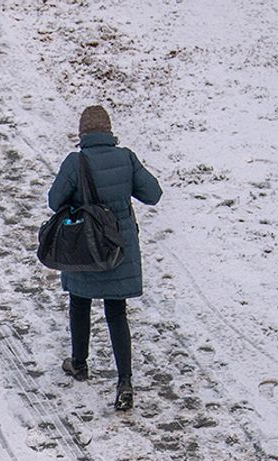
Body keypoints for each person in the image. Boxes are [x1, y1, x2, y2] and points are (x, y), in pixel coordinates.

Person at [46, 105, 162, 411]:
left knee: (80, 302)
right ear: (109, 131)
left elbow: (53, 200)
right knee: (116, 312)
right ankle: (124, 382)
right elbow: (153, 194)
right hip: (116, 248)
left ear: (83, 133)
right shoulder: (126, 158)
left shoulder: (75, 162)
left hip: (84, 247)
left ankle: (79, 363)